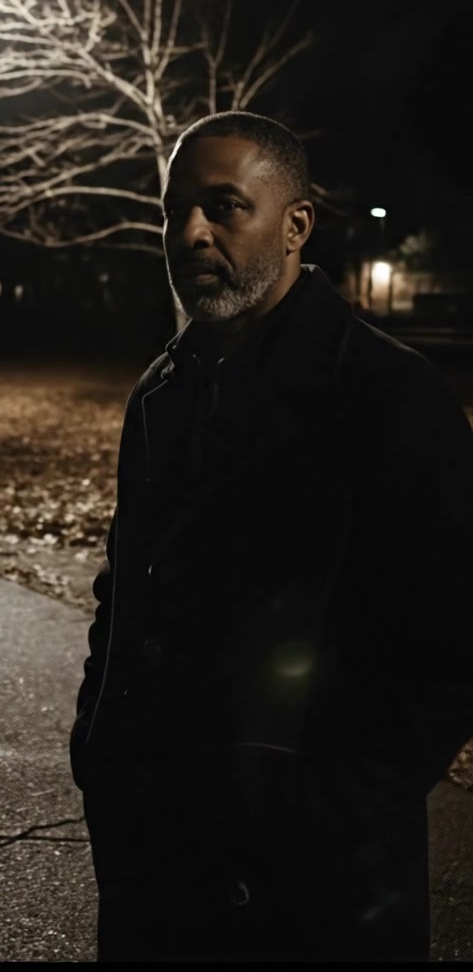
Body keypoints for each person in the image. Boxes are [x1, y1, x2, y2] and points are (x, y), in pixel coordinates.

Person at [70, 110, 473, 963]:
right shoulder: (162, 393)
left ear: (296, 226)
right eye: (175, 208)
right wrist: (97, 743)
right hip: (153, 860)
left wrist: (328, 809)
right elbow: (127, 588)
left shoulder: (390, 397)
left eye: (224, 207)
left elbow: (445, 648)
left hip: (315, 891)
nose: (190, 232)